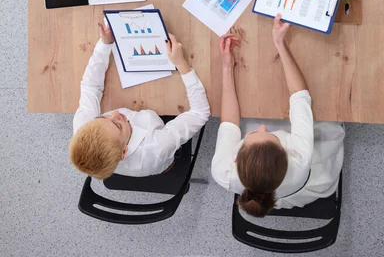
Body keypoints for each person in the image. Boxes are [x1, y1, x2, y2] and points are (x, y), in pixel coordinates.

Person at [211, 14, 344, 216]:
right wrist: (279, 43)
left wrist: (227, 66)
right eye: (272, 135)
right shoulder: (300, 157)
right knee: (328, 115)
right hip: (306, 181)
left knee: (254, 112)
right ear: (287, 152)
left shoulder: (222, 172)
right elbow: (300, 96)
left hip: (276, 178)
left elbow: (229, 123)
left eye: (254, 135)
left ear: (236, 158)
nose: (264, 127)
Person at [69, 23, 210, 179]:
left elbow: (90, 86)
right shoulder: (157, 147)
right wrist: (180, 63)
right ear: (123, 152)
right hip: (160, 162)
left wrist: (105, 45)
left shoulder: (84, 129)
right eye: (117, 124)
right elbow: (200, 113)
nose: (115, 113)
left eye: (103, 117)